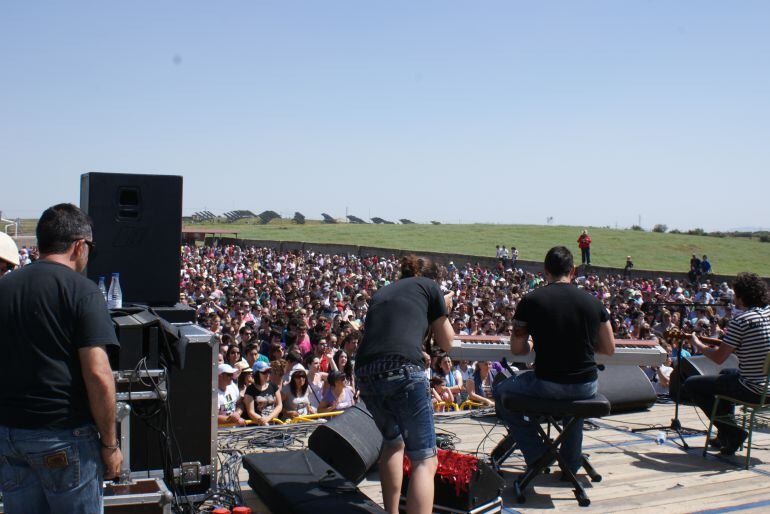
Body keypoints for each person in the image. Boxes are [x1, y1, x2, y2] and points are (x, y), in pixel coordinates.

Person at [0, 203, 122, 513]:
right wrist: (110, 445)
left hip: (9, 436)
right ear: (79, 245)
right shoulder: (83, 292)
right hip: (64, 438)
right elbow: (97, 374)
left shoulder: (5, 287)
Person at [495, 246, 615, 475]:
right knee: (574, 404)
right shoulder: (593, 302)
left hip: (549, 384)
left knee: (501, 390)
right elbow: (609, 348)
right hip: (586, 385)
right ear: (573, 270)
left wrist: (533, 344)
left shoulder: (531, 301)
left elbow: (517, 349)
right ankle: (570, 462)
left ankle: (538, 454)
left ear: (545, 271)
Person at [355, 255, 455, 514]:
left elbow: (394, 334)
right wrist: (444, 308)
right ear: (433, 278)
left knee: (393, 442)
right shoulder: (430, 287)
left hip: (365, 374)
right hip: (402, 372)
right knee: (424, 459)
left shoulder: (383, 292)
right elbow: (448, 342)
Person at [683, 272, 770, 455]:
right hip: (767, 385)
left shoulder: (742, 321)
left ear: (741, 296)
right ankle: (725, 434)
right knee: (726, 374)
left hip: (753, 389)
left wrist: (697, 344)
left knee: (692, 385)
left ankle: (733, 432)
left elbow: (718, 358)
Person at [243, 361, 283, 425]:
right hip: (258, 427)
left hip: (272, 424)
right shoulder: (250, 390)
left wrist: (268, 418)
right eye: (264, 372)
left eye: (269, 371)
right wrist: (264, 422)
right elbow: (251, 412)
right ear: (256, 374)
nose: (268, 374)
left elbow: (279, 405)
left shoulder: (273, 386)